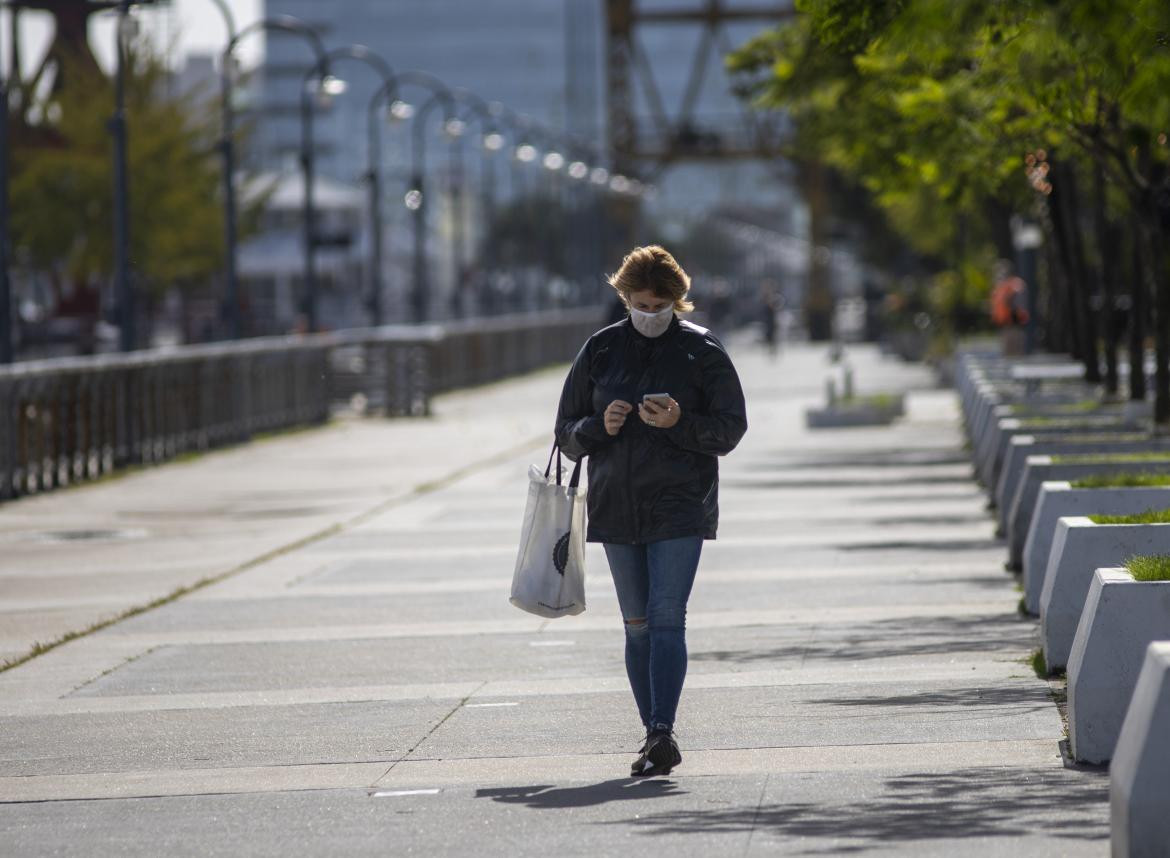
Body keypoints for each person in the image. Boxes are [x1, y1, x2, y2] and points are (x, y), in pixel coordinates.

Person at [554, 245, 748, 777]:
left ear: (678, 303)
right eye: (640, 305)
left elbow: (730, 429)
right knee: (636, 625)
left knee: (667, 618)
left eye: (660, 306)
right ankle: (653, 734)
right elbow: (564, 435)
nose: (649, 314)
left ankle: (662, 729)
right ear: (624, 299)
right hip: (616, 507)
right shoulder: (600, 350)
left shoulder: (702, 351)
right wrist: (599, 427)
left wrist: (679, 424)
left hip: (681, 504)